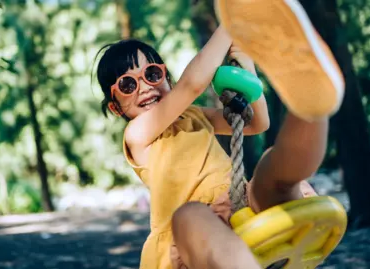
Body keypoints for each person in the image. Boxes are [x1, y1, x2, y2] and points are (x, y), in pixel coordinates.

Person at [93, 0, 344, 268]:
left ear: (168, 79)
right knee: (190, 215)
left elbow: (257, 123)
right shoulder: (138, 134)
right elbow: (192, 84)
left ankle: (311, 107)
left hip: (241, 207)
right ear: (115, 107)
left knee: (272, 176)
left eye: (152, 74)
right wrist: (233, 23)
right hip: (195, 242)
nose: (144, 86)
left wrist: (247, 66)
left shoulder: (196, 115)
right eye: (128, 84)